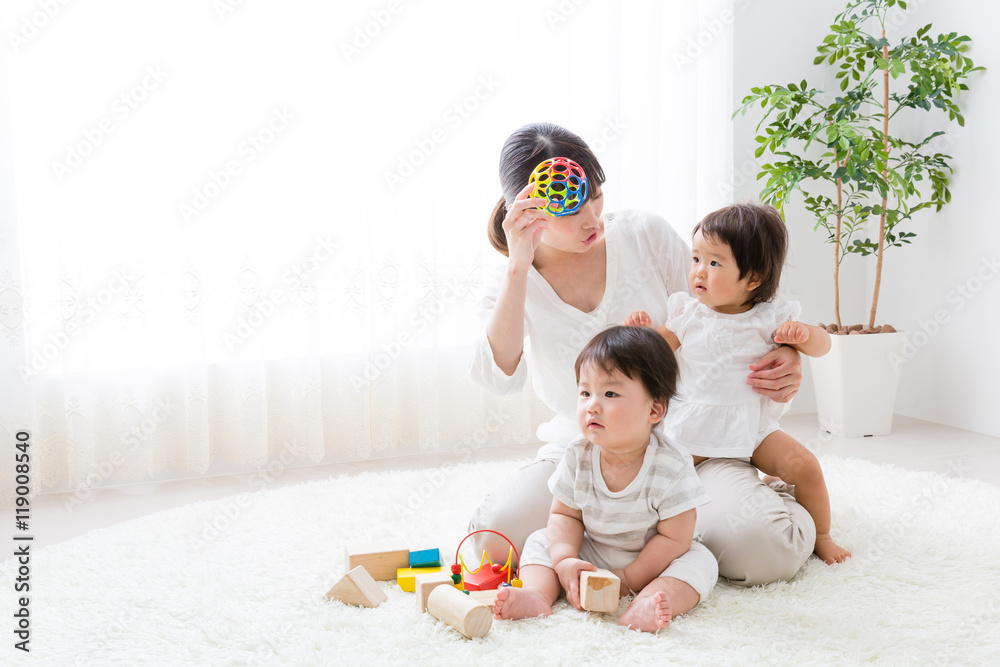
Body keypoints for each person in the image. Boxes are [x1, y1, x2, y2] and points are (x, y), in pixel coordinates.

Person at [469, 122, 814, 586]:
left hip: (690, 446)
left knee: (765, 552)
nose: (592, 218)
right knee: (494, 543)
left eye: (595, 196)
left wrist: (788, 349)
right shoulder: (513, 279)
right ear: (526, 210)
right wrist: (519, 265)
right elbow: (499, 378)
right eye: (570, 207)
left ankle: (746, 503)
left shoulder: (644, 235)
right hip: (588, 452)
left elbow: (727, 312)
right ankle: (649, 534)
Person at [625, 202, 851, 564]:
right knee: (657, 480)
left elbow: (823, 345)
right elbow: (656, 349)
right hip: (693, 429)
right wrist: (641, 334)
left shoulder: (771, 317)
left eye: (714, 263)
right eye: (696, 258)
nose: (699, 271)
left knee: (804, 464)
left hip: (754, 430)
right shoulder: (687, 313)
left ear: (754, 278)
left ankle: (820, 533)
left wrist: (802, 335)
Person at [493, 325, 718, 632]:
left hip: (652, 557)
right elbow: (564, 515)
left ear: (654, 409)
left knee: (701, 562)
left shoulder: (670, 463)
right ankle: (537, 594)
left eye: (610, 393)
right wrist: (565, 561)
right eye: (585, 392)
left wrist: (631, 578)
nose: (592, 405)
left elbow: (674, 537)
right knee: (541, 540)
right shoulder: (577, 453)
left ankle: (649, 601)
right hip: (593, 550)